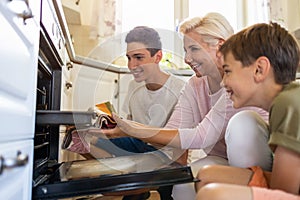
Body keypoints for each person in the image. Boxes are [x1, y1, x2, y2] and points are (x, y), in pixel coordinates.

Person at [100, 13, 273, 200]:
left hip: (260, 163)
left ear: (220, 46)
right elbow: (170, 132)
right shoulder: (195, 85)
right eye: (185, 50)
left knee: (242, 123)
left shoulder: (237, 82)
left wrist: (131, 130)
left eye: (193, 49)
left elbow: (199, 136)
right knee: (184, 185)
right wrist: (125, 129)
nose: (187, 58)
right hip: (223, 159)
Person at [195, 22, 300, 200]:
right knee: (206, 176)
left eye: (227, 71)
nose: (223, 82)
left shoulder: (288, 104)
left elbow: (284, 192)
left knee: (212, 194)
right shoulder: (285, 101)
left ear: (259, 69)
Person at [91, 26, 186, 200]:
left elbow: (182, 147)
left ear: (158, 57)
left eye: (138, 57)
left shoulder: (180, 89)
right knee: (83, 137)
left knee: (114, 187)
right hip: (138, 144)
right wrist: (109, 125)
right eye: (128, 58)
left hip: (163, 152)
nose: (131, 65)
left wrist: (175, 171)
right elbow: (130, 123)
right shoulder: (134, 85)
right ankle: (131, 181)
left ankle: (137, 186)